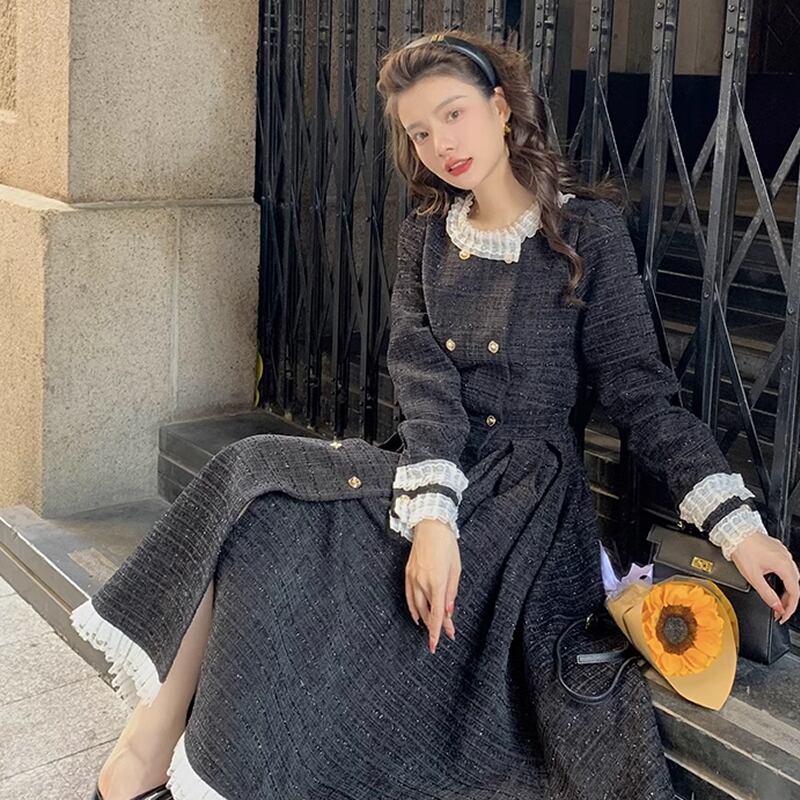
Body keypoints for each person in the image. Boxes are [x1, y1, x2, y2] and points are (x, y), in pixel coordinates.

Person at [72, 30, 799, 800]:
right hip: (432, 471)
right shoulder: (427, 233)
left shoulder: (586, 233)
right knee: (253, 483)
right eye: (420, 131)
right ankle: (143, 756)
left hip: (524, 511)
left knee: (274, 514)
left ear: (500, 108)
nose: (440, 145)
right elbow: (424, 386)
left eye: (453, 115)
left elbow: (643, 398)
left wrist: (738, 530)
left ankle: (140, 774)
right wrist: (432, 522)